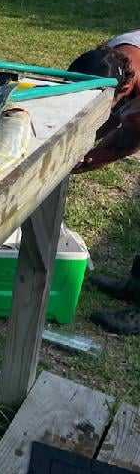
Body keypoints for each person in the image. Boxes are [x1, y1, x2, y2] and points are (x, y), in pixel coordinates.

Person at [69, 31, 140, 334]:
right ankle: (135, 286)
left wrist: (88, 160)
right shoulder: (112, 54)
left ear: (126, 88)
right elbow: (105, 116)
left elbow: (128, 139)